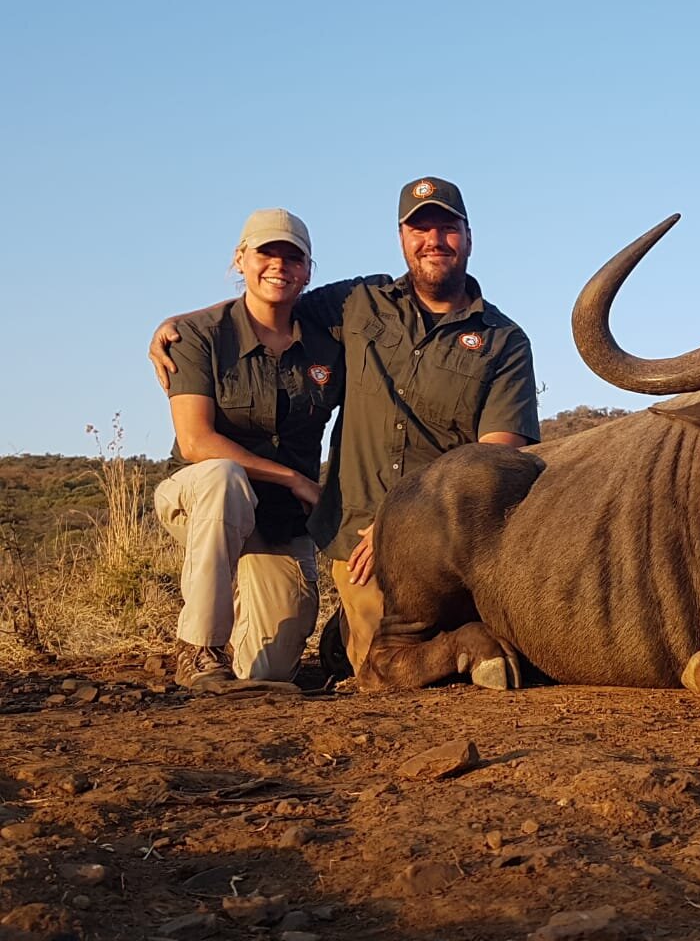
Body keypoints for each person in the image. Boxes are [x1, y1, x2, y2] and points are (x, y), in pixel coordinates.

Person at [151, 177, 540, 680]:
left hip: (449, 535)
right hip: (358, 535)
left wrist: (408, 521)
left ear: (468, 236)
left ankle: (340, 637)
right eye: (419, 229)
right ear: (402, 238)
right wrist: (176, 324)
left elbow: (497, 453)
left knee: (270, 673)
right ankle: (212, 648)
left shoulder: (504, 340)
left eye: (446, 228)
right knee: (388, 667)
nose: (433, 241)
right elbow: (264, 301)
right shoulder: (358, 301)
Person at [154, 209, 343, 689]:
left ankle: (240, 626)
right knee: (225, 477)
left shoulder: (329, 344)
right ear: (241, 259)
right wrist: (296, 480)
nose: (278, 265)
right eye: (266, 252)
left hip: (279, 524)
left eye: (292, 256)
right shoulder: (197, 335)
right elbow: (197, 442)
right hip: (203, 499)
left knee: (269, 672)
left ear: (307, 270)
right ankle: (200, 648)